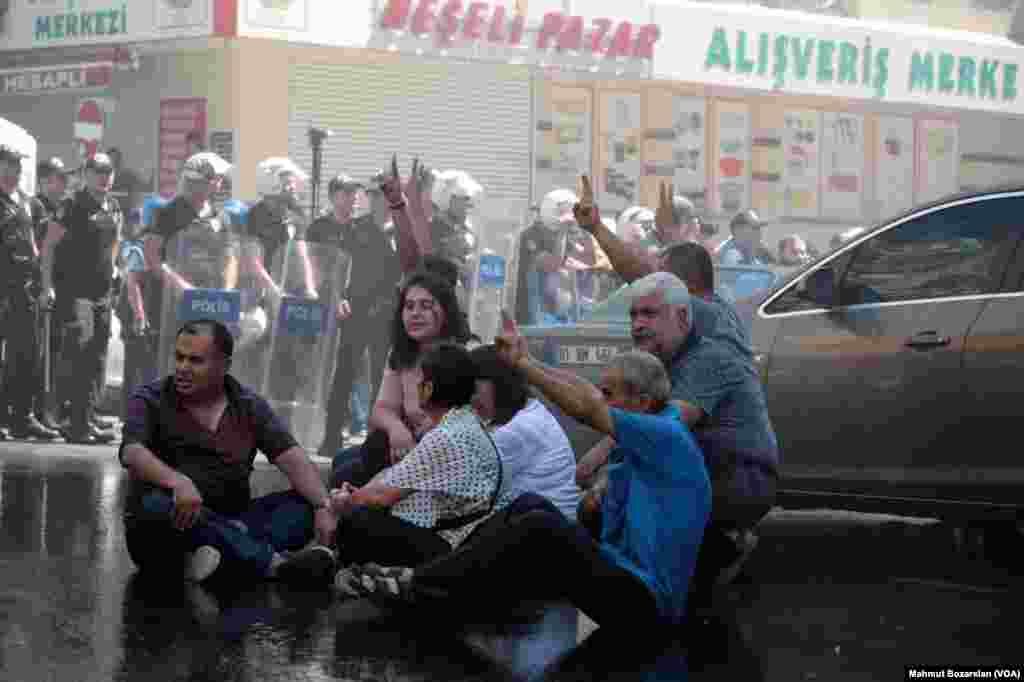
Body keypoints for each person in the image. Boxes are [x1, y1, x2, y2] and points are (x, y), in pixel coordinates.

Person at [345, 312, 710, 636]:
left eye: (608, 394)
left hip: (645, 604)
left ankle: (416, 582)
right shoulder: (651, 434)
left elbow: (586, 408)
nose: (602, 400)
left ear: (642, 401)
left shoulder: (665, 435)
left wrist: (525, 366)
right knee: (529, 505)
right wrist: (526, 361)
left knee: (539, 527)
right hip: (618, 573)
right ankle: (441, 586)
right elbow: (587, 394)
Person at [119, 319, 340, 584]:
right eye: (179, 357)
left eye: (195, 361)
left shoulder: (247, 405)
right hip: (172, 525)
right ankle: (272, 565)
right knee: (155, 506)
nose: (182, 368)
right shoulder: (150, 398)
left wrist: (323, 505)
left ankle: (219, 553)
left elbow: (292, 457)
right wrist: (177, 481)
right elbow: (132, 452)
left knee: (304, 505)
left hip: (237, 518)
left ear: (224, 365)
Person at [326, 342, 505, 576]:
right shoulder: (462, 421)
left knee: (357, 522)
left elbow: (382, 496)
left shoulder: (446, 437)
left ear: (429, 388)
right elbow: (395, 477)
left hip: (448, 546)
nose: (416, 387)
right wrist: (359, 495)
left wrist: (346, 502)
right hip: (453, 532)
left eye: (420, 381)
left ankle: (346, 574)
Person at [318, 167, 429, 457]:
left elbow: (413, 268)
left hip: (389, 314)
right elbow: (337, 268)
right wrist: (339, 297)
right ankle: (331, 437)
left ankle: (376, 439)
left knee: (383, 378)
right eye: (376, 195)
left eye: (386, 195)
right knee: (344, 374)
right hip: (356, 311)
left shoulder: (402, 230)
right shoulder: (355, 228)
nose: (381, 200)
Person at [332, 269, 472, 474]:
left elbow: (469, 420)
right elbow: (382, 409)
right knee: (344, 459)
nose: (415, 313)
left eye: (426, 306)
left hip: (444, 454)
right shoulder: (402, 353)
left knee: (349, 469)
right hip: (408, 443)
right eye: (409, 306)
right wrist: (396, 428)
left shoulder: (464, 354)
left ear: (446, 311)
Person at [39, 153, 125, 444]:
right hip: (76, 294)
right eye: (98, 171)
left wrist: (116, 268)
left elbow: (115, 243)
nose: (104, 177)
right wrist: (47, 286)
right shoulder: (72, 205)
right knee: (80, 357)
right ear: (86, 174)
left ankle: (86, 417)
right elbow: (49, 246)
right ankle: (75, 424)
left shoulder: (113, 206)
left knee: (96, 358)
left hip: (103, 294)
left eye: (108, 171)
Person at [469, 344, 580, 520]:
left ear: (499, 384)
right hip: (543, 519)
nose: (470, 399)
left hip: (546, 527)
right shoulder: (531, 409)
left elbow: (466, 485)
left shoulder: (517, 430)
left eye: (473, 389)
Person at [0, 145, 61, 441]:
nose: (16, 169)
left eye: (18, 164)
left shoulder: (27, 201)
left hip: (25, 290)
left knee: (27, 356)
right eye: (9, 163)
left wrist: (43, 282)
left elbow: (36, 244)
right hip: (2, 289)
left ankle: (23, 417)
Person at [34, 157, 75, 432]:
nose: (62, 184)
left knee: (58, 350)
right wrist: (44, 284)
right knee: (42, 352)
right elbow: (38, 246)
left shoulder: (61, 207)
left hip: (62, 286)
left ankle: (54, 409)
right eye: (57, 179)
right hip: (42, 286)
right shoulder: (36, 206)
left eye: (63, 179)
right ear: (44, 181)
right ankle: (41, 411)